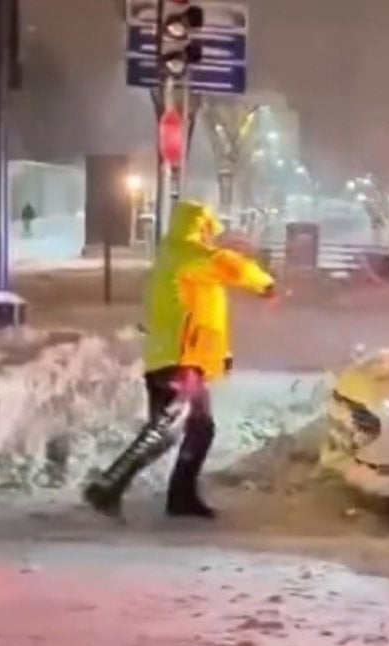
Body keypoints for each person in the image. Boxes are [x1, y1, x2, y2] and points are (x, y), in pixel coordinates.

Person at [84, 200, 276, 520]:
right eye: (207, 231)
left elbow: (199, 312)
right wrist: (266, 285)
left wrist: (219, 357)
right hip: (181, 361)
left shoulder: (173, 257)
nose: (210, 238)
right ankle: (116, 488)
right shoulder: (187, 254)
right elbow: (232, 266)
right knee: (187, 429)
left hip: (174, 358)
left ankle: (132, 490)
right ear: (199, 227)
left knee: (169, 431)